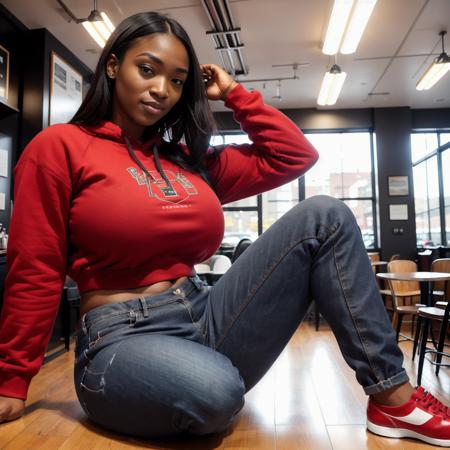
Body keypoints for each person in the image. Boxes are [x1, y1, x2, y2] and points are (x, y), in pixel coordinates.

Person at [0, 11, 448, 447]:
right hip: (121, 337)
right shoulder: (60, 146)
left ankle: (393, 397)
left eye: (177, 80)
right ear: (113, 66)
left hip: (205, 310)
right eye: (147, 69)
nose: (162, 90)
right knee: (214, 394)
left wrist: (233, 92)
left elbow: (294, 156)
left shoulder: (186, 161)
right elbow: (35, 267)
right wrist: (12, 378)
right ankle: (194, 378)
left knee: (326, 215)